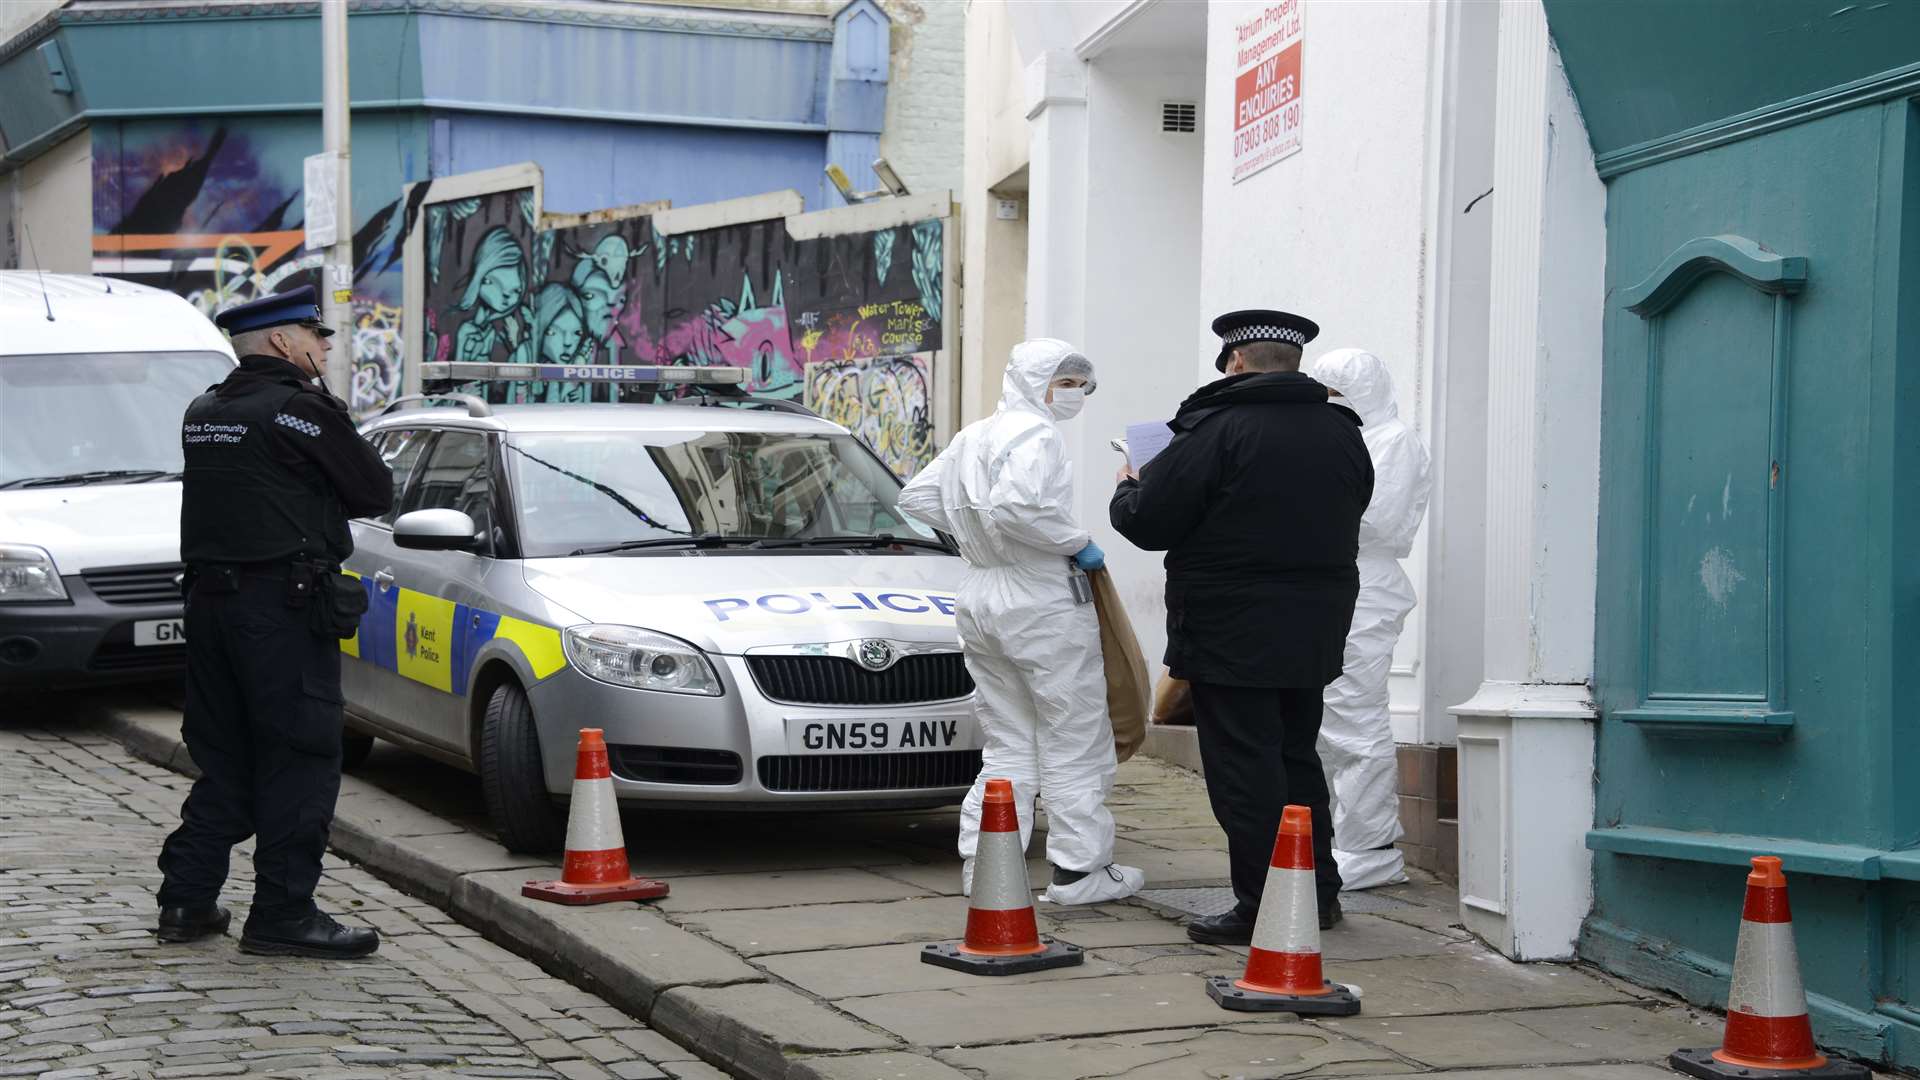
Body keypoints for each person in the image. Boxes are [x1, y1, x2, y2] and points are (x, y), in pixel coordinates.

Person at [1109, 310, 1372, 944]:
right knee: (1297, 758)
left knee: (1245, 769)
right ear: (1294, 363)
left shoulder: (1214, 428)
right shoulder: (1342, 431)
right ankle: (1318, 894)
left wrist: (1127, 486)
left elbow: (1148, 522)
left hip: (1231, 629)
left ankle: (1264, 906)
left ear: (1233, 362)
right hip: (1314, 625)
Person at [156, 285, 393, 958]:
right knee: (301, 758)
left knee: (226, 757)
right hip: (280, 613)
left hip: (210, 608)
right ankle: (284, 914)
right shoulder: (298, 409)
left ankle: (187, 899)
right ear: (284, 342)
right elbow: (374, 491)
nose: (323, 347)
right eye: (315, 336)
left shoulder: (205, 409)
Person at [897, 338, 1145, 905]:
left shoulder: (972, 436)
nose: (1076, 394)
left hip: (981, 593)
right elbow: (1017, 508)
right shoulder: (1037, 436)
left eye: (1080, 383)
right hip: (1038, 597)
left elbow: (918, 497)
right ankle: (1080, 871)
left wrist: (975, 537)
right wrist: (1075, 541)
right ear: (1039, 383)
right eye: (1068, 382)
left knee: (1008, 743)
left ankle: (988, 868)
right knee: (1073, 733)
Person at [1309, 348, 1432, 891]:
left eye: (1338, 392)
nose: (1331, 403)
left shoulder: (1393, 441)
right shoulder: (1344, 439)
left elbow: (1377, 521)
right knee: (1330, 720)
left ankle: (1370, 846)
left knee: (1354, 715)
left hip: (1366, 584)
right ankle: (1348, 837)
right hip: (1335, 580)